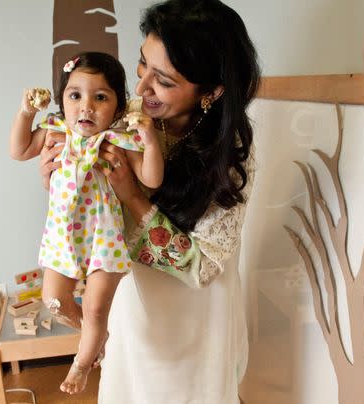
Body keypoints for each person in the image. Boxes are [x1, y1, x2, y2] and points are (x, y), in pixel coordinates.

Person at [39, 0, 260, 402]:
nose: (140, 88)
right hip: (134, 301)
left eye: (163, 80)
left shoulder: (228, 157)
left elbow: (203, 266)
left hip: (194, 318)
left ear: (210, 91)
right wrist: (59, 182)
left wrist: (132, 195)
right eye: (143, 65)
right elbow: (95, 207)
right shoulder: (127, 117)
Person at [9, 51, 164, 394]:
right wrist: (26, 112)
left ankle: (81, 365)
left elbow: (151, 180)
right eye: (75, 95)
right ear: (62, 100)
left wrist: (150, 141)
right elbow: (19, 150)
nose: (86, 106)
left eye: (100, 97)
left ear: (119, 108)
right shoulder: (55, 133)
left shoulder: (118, 139)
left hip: (105, 238)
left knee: (95, 307)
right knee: (54, 300)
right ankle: (96, 335)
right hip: (62, 237)